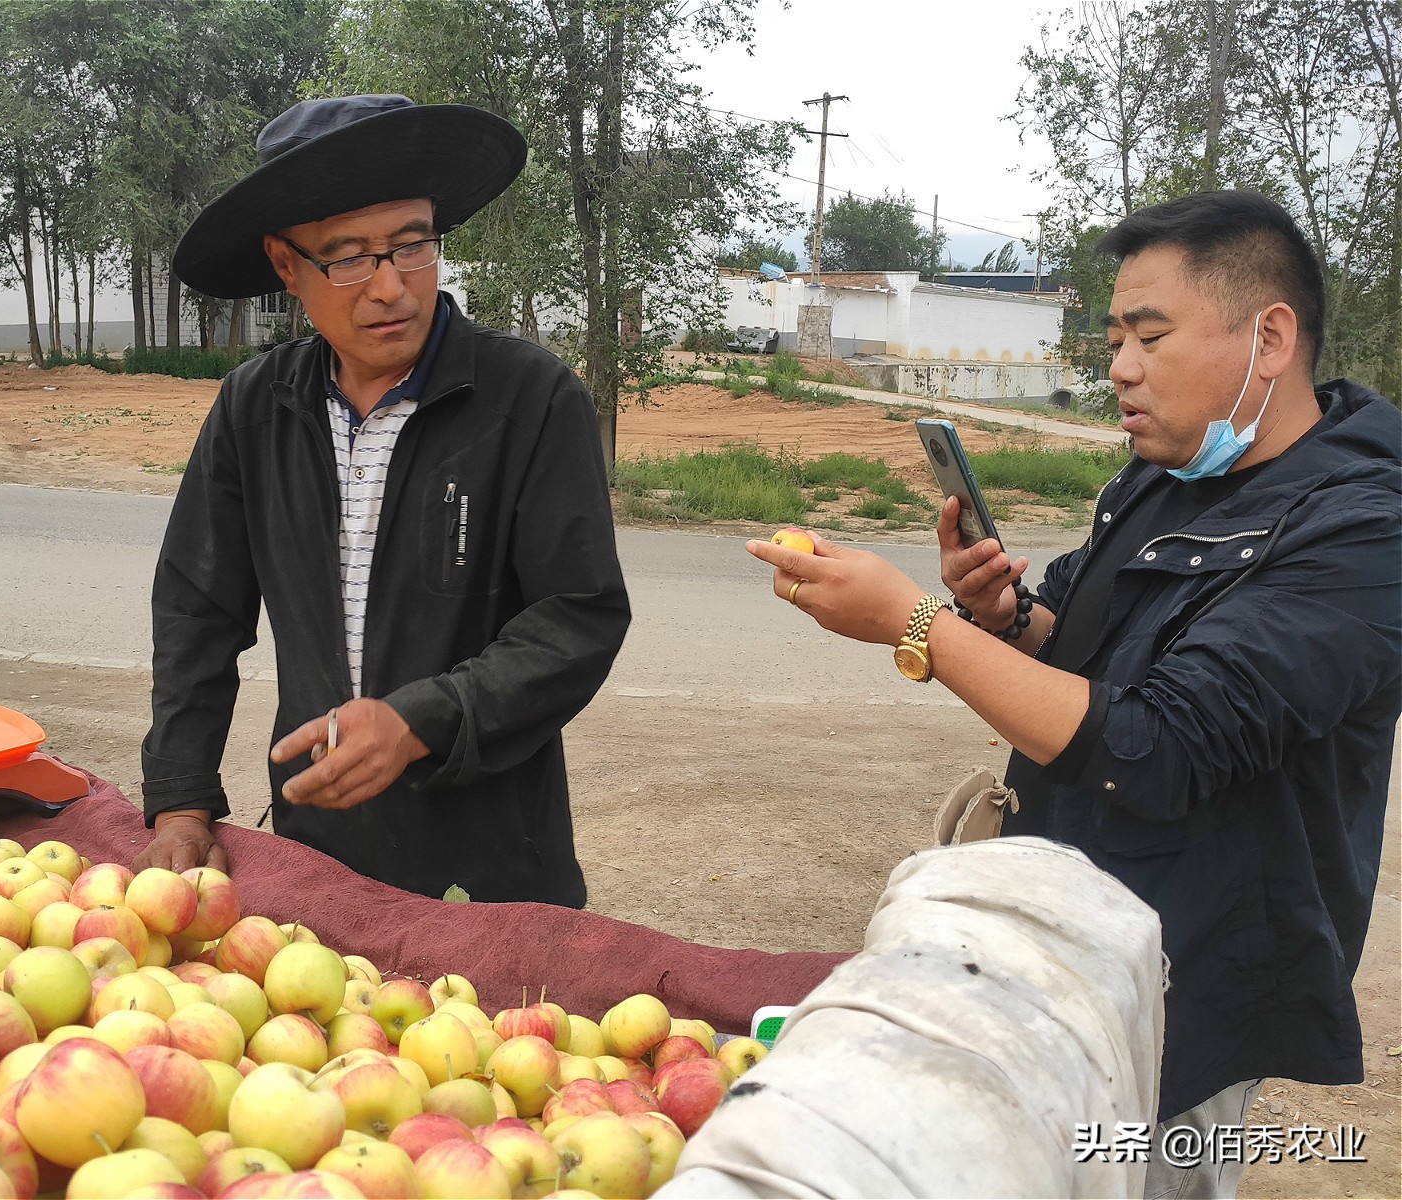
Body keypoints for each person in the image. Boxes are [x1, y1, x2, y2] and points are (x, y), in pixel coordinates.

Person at [748, 190, 1399, 1198]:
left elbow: (1157, 746)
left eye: (1150, 336)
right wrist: (1002, 618)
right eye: (1113, 338)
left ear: (1269, 337)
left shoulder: (1362, 531)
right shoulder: (1161, 475)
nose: (1119, 369)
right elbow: (1090, 664)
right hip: (1066, 939)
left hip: (1192, 983)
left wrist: (913, 624)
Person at [133, 95, 631, 907]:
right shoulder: (252, 409)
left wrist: (421, 721)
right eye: (348, 257)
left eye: (412, 245)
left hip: (497, 867)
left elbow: (577, 618)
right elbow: (197, 612)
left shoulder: (531, 399)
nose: (391, 287)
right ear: (286, 266)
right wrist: (182, 797)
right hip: (317, 859)